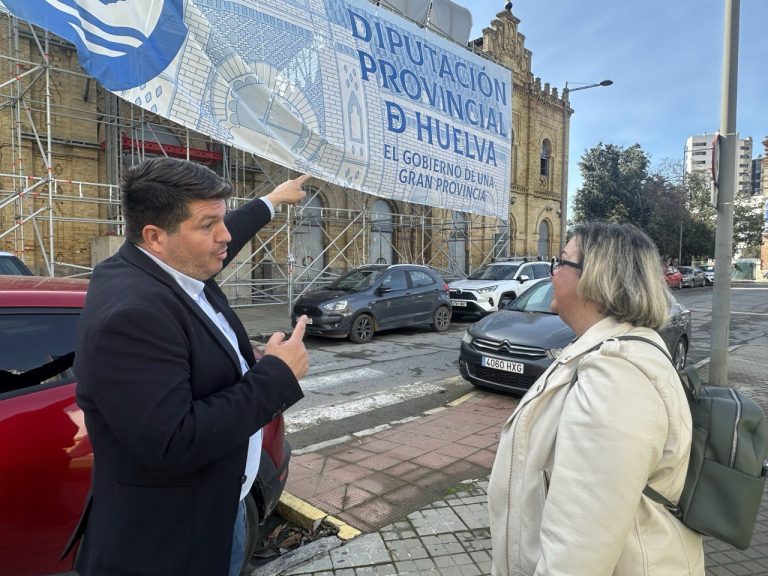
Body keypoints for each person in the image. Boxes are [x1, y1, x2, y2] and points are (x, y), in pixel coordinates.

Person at [69, 157, 310, 576]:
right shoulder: (134, 315)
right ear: (155, 236)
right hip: (171, 542)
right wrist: (278, 374)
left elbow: (223, 236)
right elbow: (174, 442)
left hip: (220, 504)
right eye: (207, 225)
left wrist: (273, 200)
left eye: (222, 219)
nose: (225, 236)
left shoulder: (166, 264)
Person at [488, 222, 704, 576]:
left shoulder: (617, 375)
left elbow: (577, 553)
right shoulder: (607, 352)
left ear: (597, 278)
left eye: (562, 261)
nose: (553, 271)